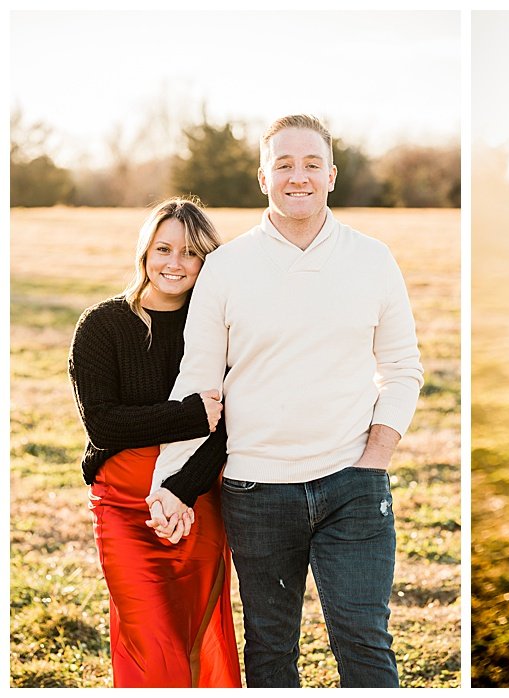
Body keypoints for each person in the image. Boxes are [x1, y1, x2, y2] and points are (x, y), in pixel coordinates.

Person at [148, 114, 424, 687]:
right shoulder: (226, 268)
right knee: (271, 650)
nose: (297, 176)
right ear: (262, 177)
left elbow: (401, 369)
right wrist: (169, 480)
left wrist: (375, 457)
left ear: (331, 175)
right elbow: (196, 385)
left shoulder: (373, 259)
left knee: (364, 641)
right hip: (256, 491)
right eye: (283, 164)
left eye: (310, 163)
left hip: (352, 481)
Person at [67, 197, 241, 687]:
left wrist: (183, 489)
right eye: (163, 249)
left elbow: (229, 427)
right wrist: (187, 415)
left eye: (190, 253)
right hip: (124, 507)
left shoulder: (218, 331)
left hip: (196, 501)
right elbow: (104, 425)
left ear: (207, 261)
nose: (174, 263)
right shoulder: (102, 325)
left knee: (197, 632)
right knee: (149, 638)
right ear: (144, 253)